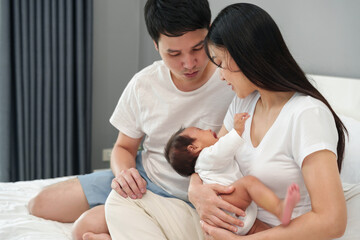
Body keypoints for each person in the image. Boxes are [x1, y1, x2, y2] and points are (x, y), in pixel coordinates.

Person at [28, 0, 238, 239]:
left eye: (197, 48)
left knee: (86, 227)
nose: (189, 63)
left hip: (190, 198)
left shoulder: (231, 80)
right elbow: (124, 147)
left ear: (210, 31)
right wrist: (125, 174)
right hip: (145, 178)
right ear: (156, 45)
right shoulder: (144, 83)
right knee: (41, 204)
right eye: (174, 53)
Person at [188, 3, 349, 239]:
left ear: (246, 55)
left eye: (221, 63)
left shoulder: (306, 115)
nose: (221, 76)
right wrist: (194, 190)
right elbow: (211, 158)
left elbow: (332, 221)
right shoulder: (242, 105)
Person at [164, 112, 301, 235]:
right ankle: (279, 209)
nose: (209, 130)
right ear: (194, 148)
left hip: (235, 218)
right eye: (201, 130)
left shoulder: (206, 166)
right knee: (249, 183)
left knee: (261, 231)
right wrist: (237, 130)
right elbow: (225, 146)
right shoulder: (206, 157)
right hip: (225, 202)